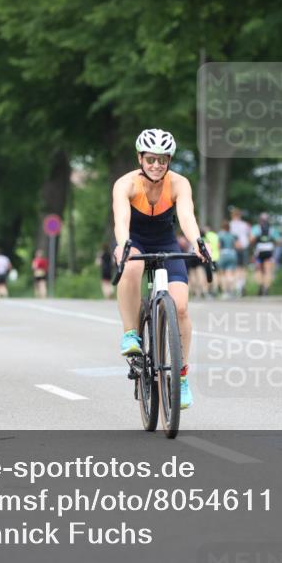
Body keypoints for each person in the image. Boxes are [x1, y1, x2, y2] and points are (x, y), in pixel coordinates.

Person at [112, 128, 211, 410]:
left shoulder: (179, 183)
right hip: (134, 241)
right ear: (140, 158)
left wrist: (198, 242)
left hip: (166, 242)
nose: (157, 165)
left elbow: (187, 217)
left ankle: (181, 377)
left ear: (169, 160)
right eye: (151, 159)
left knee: (180, 308)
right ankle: (130, 334)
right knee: (132, 266)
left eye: (162, 160)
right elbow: (121, 220)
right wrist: (124, 245)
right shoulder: (126, 184)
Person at [250, 213, 281, 296]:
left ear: (260, 220)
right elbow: (278, 241)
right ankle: (266, 288)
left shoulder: (255, 228)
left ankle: (261, 285)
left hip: (259, 251)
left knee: (258, 270)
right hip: (269, 251)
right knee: (268, 270)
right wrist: (273, 244)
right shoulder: (272, 229)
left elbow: (251, 240)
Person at [228, 207, 251, 297]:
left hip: (235, 248)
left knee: (237, 268)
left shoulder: (231, 225)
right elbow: (249, 236)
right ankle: (241, 285)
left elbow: (232, 236)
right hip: (244, 247)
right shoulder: (245, 225)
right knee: (243, 268)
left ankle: (237, 287)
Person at [216, 221, 238, 298]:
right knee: (230, 274)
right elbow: (236, 245)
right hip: (232, 254)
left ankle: (225, 292)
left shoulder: (220, 235)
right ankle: (232, 291)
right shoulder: (232, 235)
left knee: (222, 274)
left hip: (223, 254)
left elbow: (218, 246)